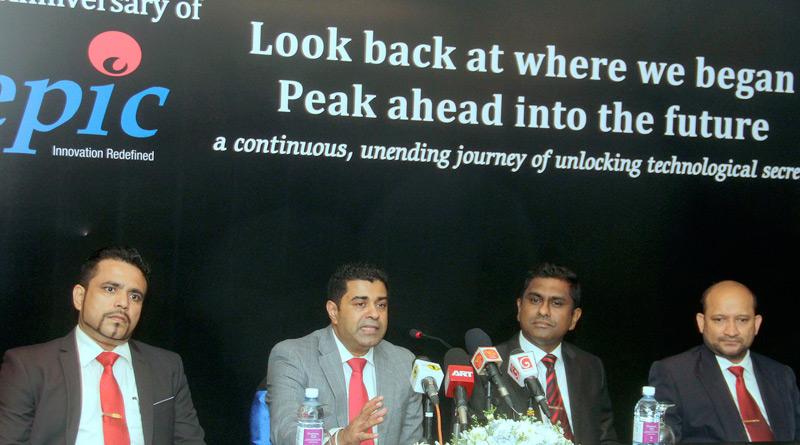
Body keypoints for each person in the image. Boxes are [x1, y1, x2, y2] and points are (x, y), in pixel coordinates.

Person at [0, 246, 206, 444]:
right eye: (110, 289)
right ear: (79, 297)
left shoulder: (167, 367)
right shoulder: (28, 366)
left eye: (134, 296)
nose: (123, 303)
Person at [266, 263, 422, 445]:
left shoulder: (404, 362)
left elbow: (412, 441)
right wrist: (340, 440)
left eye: (381, 305)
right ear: (333, 311)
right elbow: (285, 434)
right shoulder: (294, 356)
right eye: (360, 304)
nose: (374, 313)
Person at [470, 263, 619, 445]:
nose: (543, 311)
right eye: (535, 300)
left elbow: (606, 438)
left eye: (556, 303)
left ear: (574, 318)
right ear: (519, 308)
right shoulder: (488, 367)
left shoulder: (590, 366)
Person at [649, 280, 800, 442]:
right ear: (701, 322)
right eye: (719, 319)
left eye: (742, 320)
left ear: (756, 324)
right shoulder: (673, 374)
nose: (731, 331)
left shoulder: (781, 375)